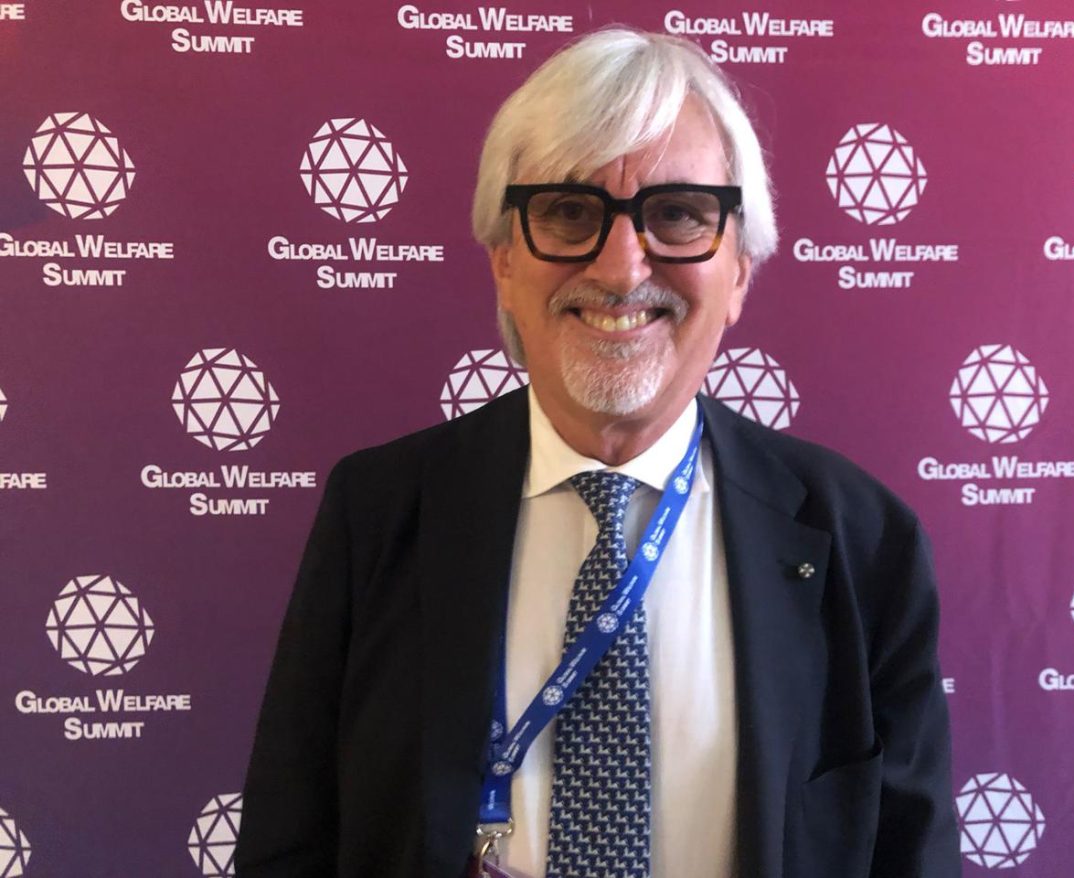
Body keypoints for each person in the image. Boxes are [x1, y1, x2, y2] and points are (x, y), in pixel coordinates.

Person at [236, 28, 961, 878]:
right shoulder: (380, 510)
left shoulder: (862, 540)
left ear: (739, 271)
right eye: (569, 212)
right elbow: (289, 845)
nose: (621, 269)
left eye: (679, 213)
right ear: (505, 262)